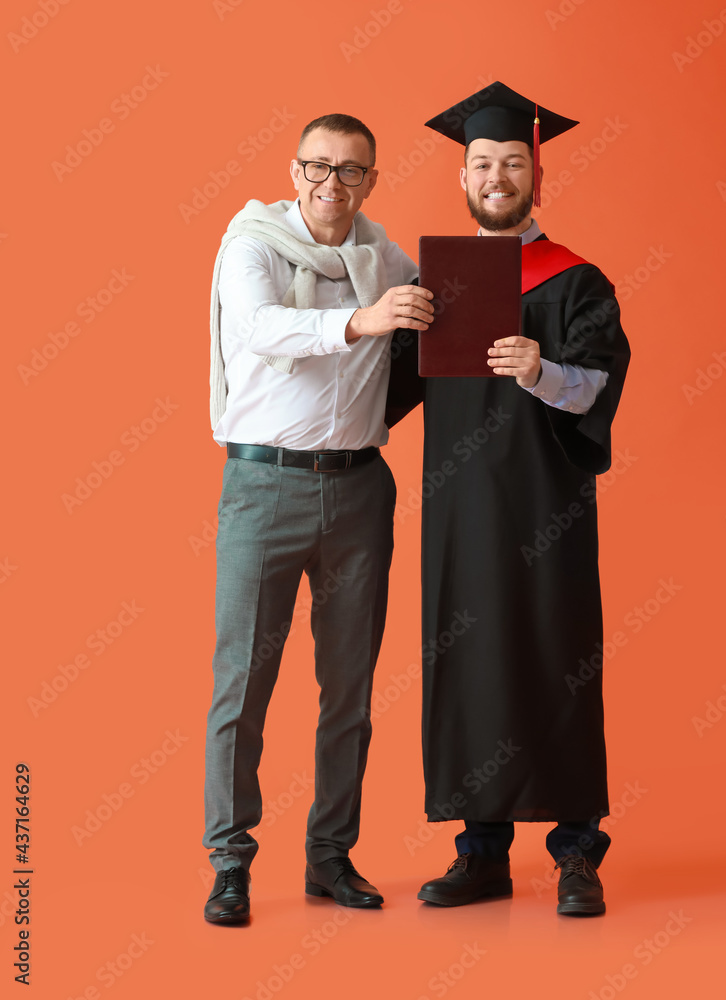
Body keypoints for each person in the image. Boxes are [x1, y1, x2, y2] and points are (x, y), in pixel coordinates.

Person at [386, 82, 630, 915]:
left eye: (512, 164)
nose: (496, 176)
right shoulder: (436, 284)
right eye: (481, 163)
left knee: (557, 661)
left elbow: (596, 387)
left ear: (535, 175)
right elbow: (384, 397)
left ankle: (574, 855)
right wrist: (387, 324)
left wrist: (540, 371)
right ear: (461, 178)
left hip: (545, 507)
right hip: (458, 513)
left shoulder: (576, 281)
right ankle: (481, 853)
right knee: (469, 663)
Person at [203, 113, 434, 924]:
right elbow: (261, 330)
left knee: (350, 689)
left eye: (350, 171)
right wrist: (364, 320)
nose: (330, 185)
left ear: (371, 179)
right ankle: (230, 861)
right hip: (264, 488)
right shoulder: (253, 244)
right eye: (317, 167)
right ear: (293, 169)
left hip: (361, 490)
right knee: (242, 683)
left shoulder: (382, 255)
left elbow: (440, 311)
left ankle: (329, 856)